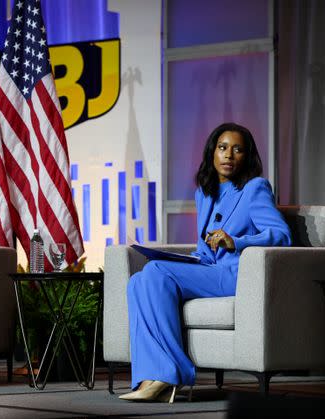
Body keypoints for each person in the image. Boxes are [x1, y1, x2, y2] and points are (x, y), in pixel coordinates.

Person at [119, 122, 292, 403]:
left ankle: (169, 374)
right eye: (223, 148)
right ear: (212, 152)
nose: (229, 155)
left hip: (236, 275)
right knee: (140, 279)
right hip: (211, 270)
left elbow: (282, 235)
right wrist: (189, 260)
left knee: (154, 271)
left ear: (246, 156)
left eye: (238, 150)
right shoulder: (205, 193)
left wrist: (235, 241)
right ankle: (151, 377)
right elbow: (206, 250)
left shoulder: (254, 189)